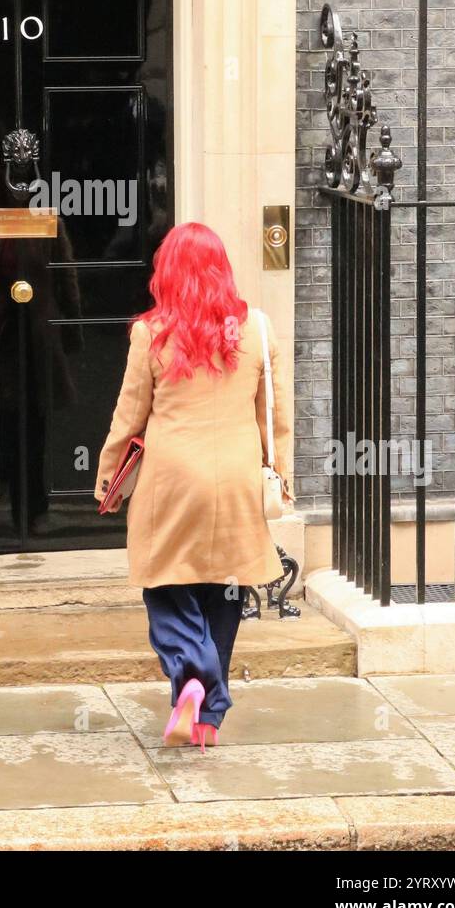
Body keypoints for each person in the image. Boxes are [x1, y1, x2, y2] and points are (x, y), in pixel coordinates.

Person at [94, 222, 291, 749]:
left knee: (165, 584)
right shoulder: (256, 329)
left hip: (171, 481)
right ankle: (208, 717)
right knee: (224, 591)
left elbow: (128, 416)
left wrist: (108, 477)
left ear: (167, 272)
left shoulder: (151, 333)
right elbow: (275, 417)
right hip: (235, 478)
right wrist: (281, 474)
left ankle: (193, 674)